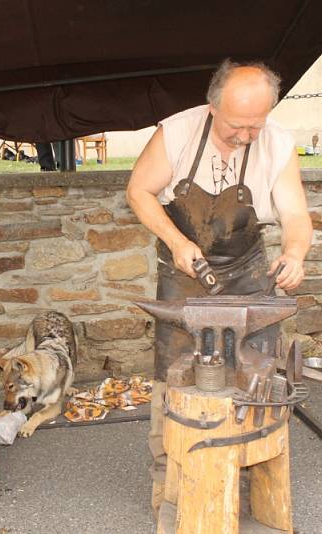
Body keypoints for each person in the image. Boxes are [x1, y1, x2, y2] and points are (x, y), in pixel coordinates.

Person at [126, 59, 312, 517]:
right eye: (235, 125)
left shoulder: (277, 143)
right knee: (174, 378)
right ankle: (170, 487)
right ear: (212, 108)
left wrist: (295, 253)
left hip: (249, 275)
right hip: (183, 272)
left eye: (256, 125)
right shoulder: (177, 133)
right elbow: (138, 191)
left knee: (256, 377)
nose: (246, 135)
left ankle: (247, 483)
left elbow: (296, 216)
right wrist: (176, 242)